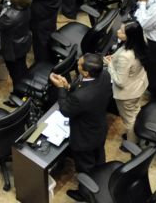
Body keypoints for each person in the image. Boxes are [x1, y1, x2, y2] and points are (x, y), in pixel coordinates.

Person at [50, 53, 111, 200]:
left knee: (85, 168)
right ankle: (99, 174)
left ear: (86, 72)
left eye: (79, 65)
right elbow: (83, 87)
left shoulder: (80, 98)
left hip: (84, 138)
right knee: (98, 156)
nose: (76, 65)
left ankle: (85, 193)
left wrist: (61, 88)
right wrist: (68, 85)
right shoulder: (104, 75)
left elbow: (65, 110)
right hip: (99, 128)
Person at [106, 23, 147, 131]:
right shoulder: (140, 41)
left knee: (129, 121)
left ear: (129, 36)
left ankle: (132, 143)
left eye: (121, 31)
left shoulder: (126, 56)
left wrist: (110, 65)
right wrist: (114, 58)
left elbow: (120, 82)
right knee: (134, 112)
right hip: (138, 84)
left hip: (127, 94)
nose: (118, 31)